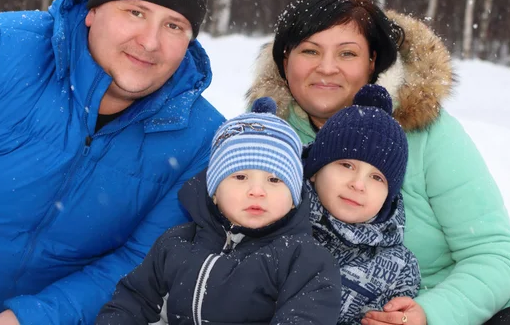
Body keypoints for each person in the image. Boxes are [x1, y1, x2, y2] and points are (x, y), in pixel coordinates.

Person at [245, 0, 510, 325]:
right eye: (310, 51)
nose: (327, 68)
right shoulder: (268, 141)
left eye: (347, 54)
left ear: (372, 63)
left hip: (491, 305)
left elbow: (493, 253)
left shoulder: (425, 131)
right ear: (284, 60)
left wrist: (428, 313)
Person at [0, 0, 224, 325]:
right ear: (92, 10)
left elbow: (141, 261)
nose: (150, 42)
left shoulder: (202, 139)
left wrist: (30, 319)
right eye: (135, 12)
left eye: (173, 25)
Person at [95, 98, 342, 325]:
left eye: (275, 180)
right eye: (240, 176)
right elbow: (133, 300)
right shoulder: (176, 243)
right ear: (214, 191)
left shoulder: (304, 259)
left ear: (293, 200)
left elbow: (305, 318)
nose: (257, 191)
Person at [303, 83, 420, 324]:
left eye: (377, 177)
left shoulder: (399, 267)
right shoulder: (278, 222)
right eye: (346, 165)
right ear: (314, 170)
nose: (358, 184)